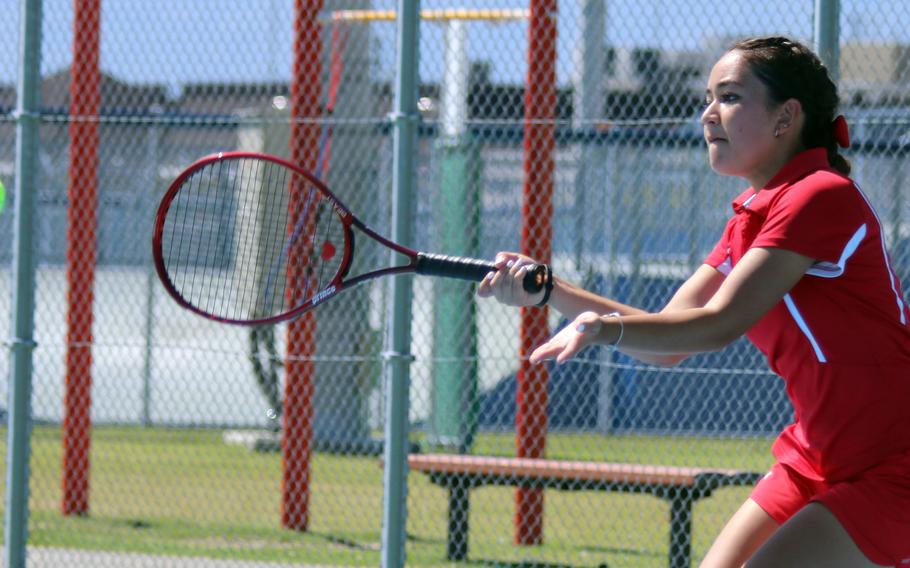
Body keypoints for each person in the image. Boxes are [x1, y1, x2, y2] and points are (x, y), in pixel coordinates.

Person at [478, 36, 910, 567]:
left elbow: (716, 324)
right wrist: (550, 291)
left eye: (729, 97)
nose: (708, 114)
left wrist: (600, 327)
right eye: (708, 97)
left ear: (786, 117)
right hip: (815, 455)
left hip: (893, 464)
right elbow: (668, 337)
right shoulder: (750, 219)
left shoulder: (819, 195)